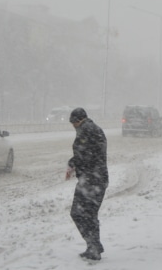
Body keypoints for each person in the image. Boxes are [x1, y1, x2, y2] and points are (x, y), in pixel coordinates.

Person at [66, 107, 109, 261]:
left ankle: (94, 246)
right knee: (89, 214)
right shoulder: (94, 129)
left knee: (78, 213)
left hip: (91, 180)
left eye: (73, 123)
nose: (73, 126)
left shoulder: (86, 130)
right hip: (97, 178)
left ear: (77, 121)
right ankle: (94, 245)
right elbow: (88, 153)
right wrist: (74, 163)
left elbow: (84, 154)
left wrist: (73, 164)